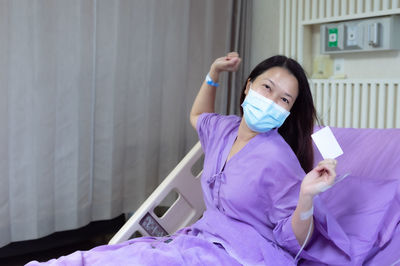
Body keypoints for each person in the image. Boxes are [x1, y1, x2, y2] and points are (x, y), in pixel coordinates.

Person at [26, 53, 358, 265]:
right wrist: (214, 72)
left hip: (243, 255)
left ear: (287, 113)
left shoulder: (278, 158)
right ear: (248, 86)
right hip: (201, 240)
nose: (271, 102)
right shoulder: (224, 130)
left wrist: (306, 196)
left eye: (284, 99)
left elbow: (292, 240)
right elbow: (198, 114)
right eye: (267, 88)